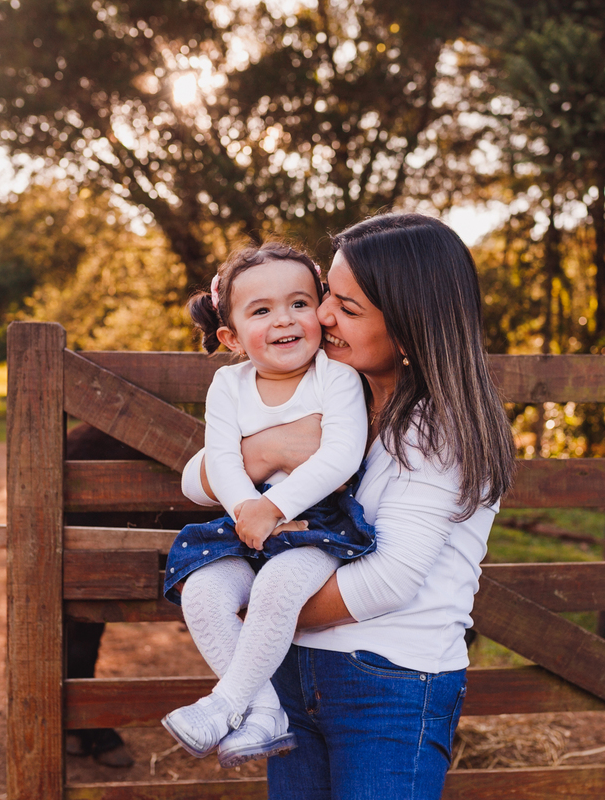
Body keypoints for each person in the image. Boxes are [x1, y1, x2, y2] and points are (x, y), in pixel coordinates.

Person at [181, 212, 517, 798]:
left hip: (387, 682)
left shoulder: (440, 429)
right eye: (328, 294)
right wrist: (272, 446)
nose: (322, 315)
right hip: (295, 673)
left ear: (411, 328)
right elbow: (196, 479)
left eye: (348, 307)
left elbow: (390, 579)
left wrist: (256, 618)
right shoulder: (341, 389)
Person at [161, 242, 377, 769]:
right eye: (262, 311)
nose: (284, 320)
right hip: (245, 524)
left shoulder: (336, 377)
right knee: (204, 593)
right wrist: (244, 509)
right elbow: (221, 460)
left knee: (279, 588)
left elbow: (341, 457)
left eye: (300, 303)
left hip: (317, 525)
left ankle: (226, 703)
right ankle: (265, 709)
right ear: (231, 336)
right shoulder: (227, 385)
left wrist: (273, 507)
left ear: (320, 311)